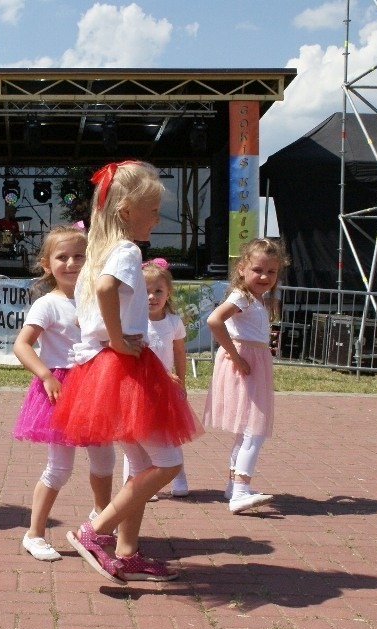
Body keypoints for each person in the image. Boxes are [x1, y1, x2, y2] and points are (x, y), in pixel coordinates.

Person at [50, 161, 201, 585]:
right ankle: (95, 531)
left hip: (103, 366)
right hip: (125, 365)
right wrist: (117, 339)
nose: (157, 219)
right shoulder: (126, 251)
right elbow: (104, 291)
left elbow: (93, 301)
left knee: (140, 462)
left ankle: (128, 552)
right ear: (126, 210)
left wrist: (109, 339)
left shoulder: (97, 253)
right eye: (152, 211)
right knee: (167, 463)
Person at [12, 225, 116, 562]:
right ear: (46, 264)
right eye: (62, 257)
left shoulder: (98, 298)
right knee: (59, 468)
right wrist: (45, 376)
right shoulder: (48, 304)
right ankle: (34, 533)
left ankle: (100, 523)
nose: (71, 263)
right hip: (61, 390)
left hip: (96, 387)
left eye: (79, 256)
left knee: (105, 460)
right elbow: (21, 345)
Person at [203, 237, 287, 514]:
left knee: (247, 430)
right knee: (255, 430)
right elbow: (214, 320)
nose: (264, 277)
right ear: (242, 269)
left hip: (254, 361)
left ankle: (233, 486)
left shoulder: (257, 299)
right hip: (246, 361)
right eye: (258, 270)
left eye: (271, 272)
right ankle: (240, 490)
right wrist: (235, 355)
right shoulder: (242, 297)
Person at [121, 258, 193, 499]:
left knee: (170, 434)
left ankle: (178, 478)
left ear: (168, 293)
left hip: (166, 389)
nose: (152, 297)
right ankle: (136, 482)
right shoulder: (133, 323)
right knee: (135, 436)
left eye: (158, 291)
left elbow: (179, 352)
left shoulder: (173, 322)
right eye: (146, 291)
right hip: (140, 388)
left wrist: (181, 380)